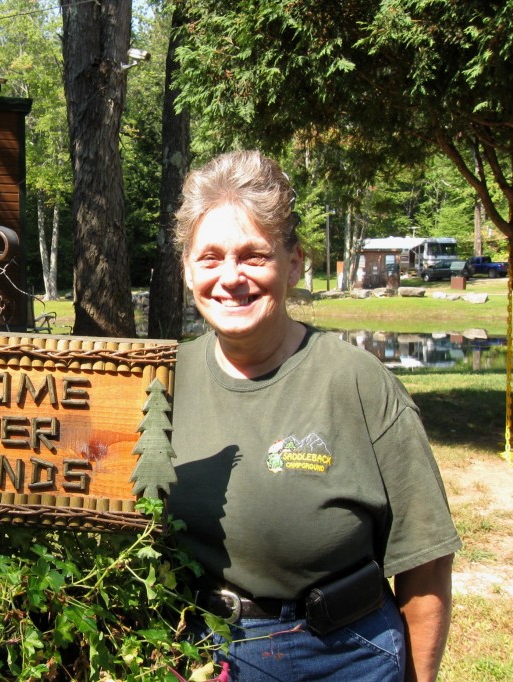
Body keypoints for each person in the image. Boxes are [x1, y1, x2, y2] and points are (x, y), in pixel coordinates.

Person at [167, 150, 460, 681]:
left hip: (345, 654)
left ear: (294, 262)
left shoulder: (358, 381)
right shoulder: (162, 381)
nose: (230, 277)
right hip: (201, 652)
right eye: (209, 257)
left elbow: (426, 559)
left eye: (254, 256)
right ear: (187, 270)